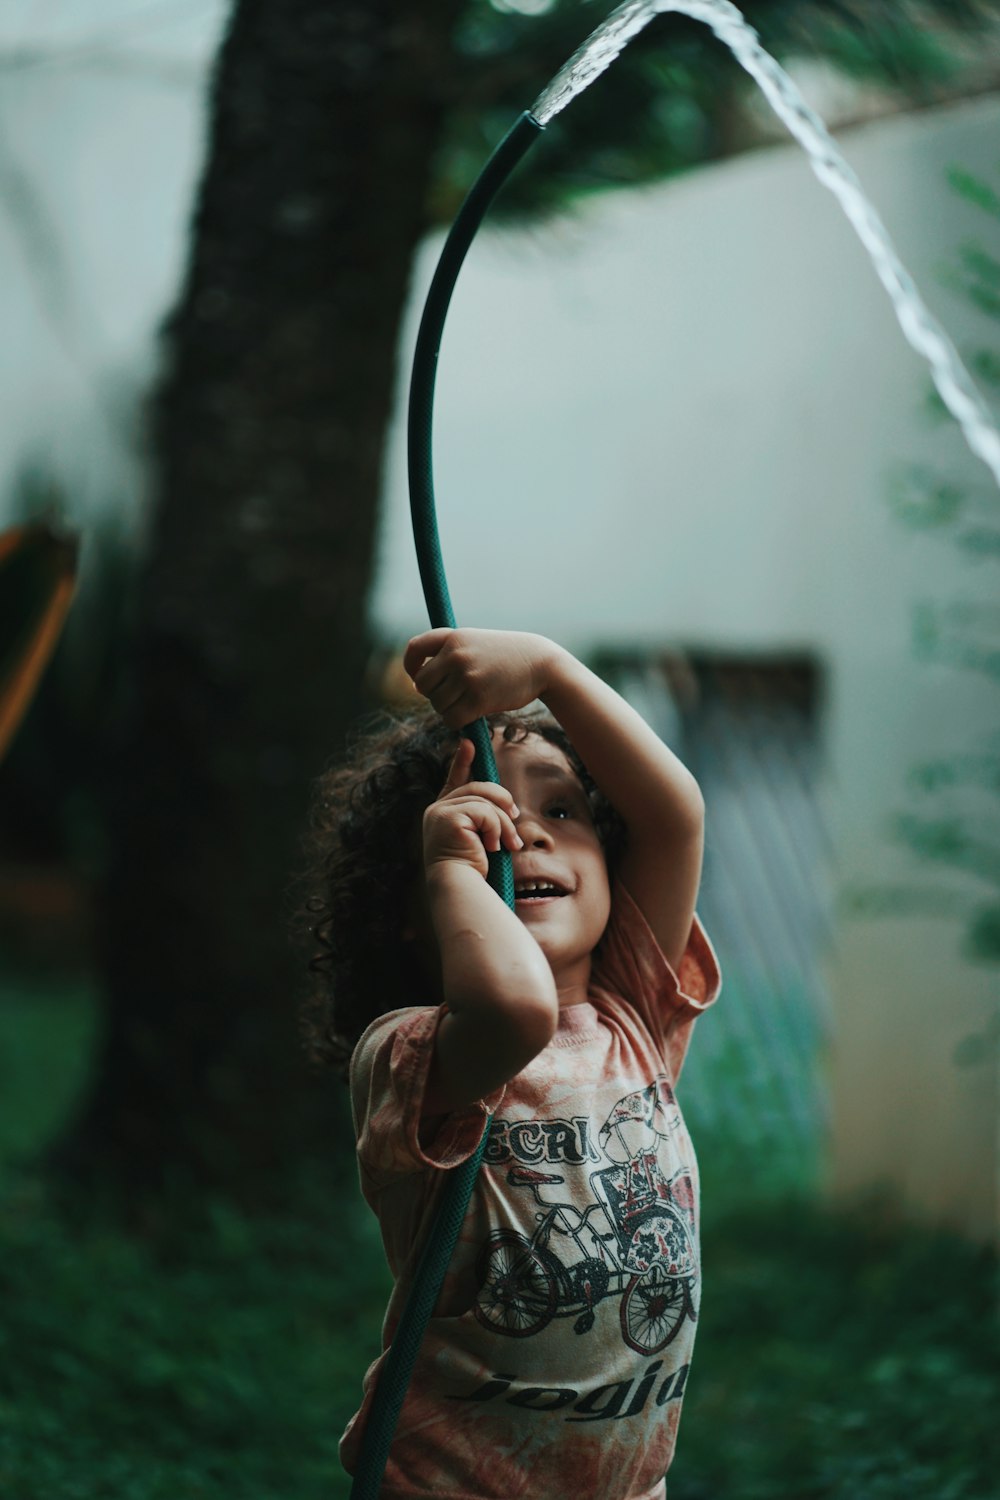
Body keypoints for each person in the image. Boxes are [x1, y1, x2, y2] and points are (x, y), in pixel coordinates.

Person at [303, 627, 721, 1500]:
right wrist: (454, 865)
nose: (522, 830)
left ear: (612, 865)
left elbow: (675, 813)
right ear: (415, 908)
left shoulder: (634, 1015)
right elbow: (515, 1010)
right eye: (481, 821)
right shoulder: (416, 1052)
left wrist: (552, 669)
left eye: (563, 810)